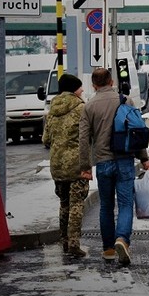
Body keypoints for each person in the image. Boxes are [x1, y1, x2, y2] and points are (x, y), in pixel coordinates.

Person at [80, 67, 149, 266]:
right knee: (125, 204)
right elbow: (136, 130)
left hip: (103, 162)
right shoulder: (125, 100)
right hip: (124, 160)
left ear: (93, 85)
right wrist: (144, 158)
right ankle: (122, 239)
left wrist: (85, 167)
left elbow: (84, 139)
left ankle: (109, 249)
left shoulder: (89, 106)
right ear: (111, 82)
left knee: (105, 206)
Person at [42, 74, 88, 258]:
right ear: (73, 89)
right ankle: (74, 243)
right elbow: (88, 135)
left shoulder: (52, 110)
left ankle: (64, 241)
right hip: (76, 164)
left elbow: (46, 139)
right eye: (80, 87)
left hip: (57, 164)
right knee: (77, 204)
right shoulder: (81, 108)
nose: (82, 90)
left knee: (64, 203)